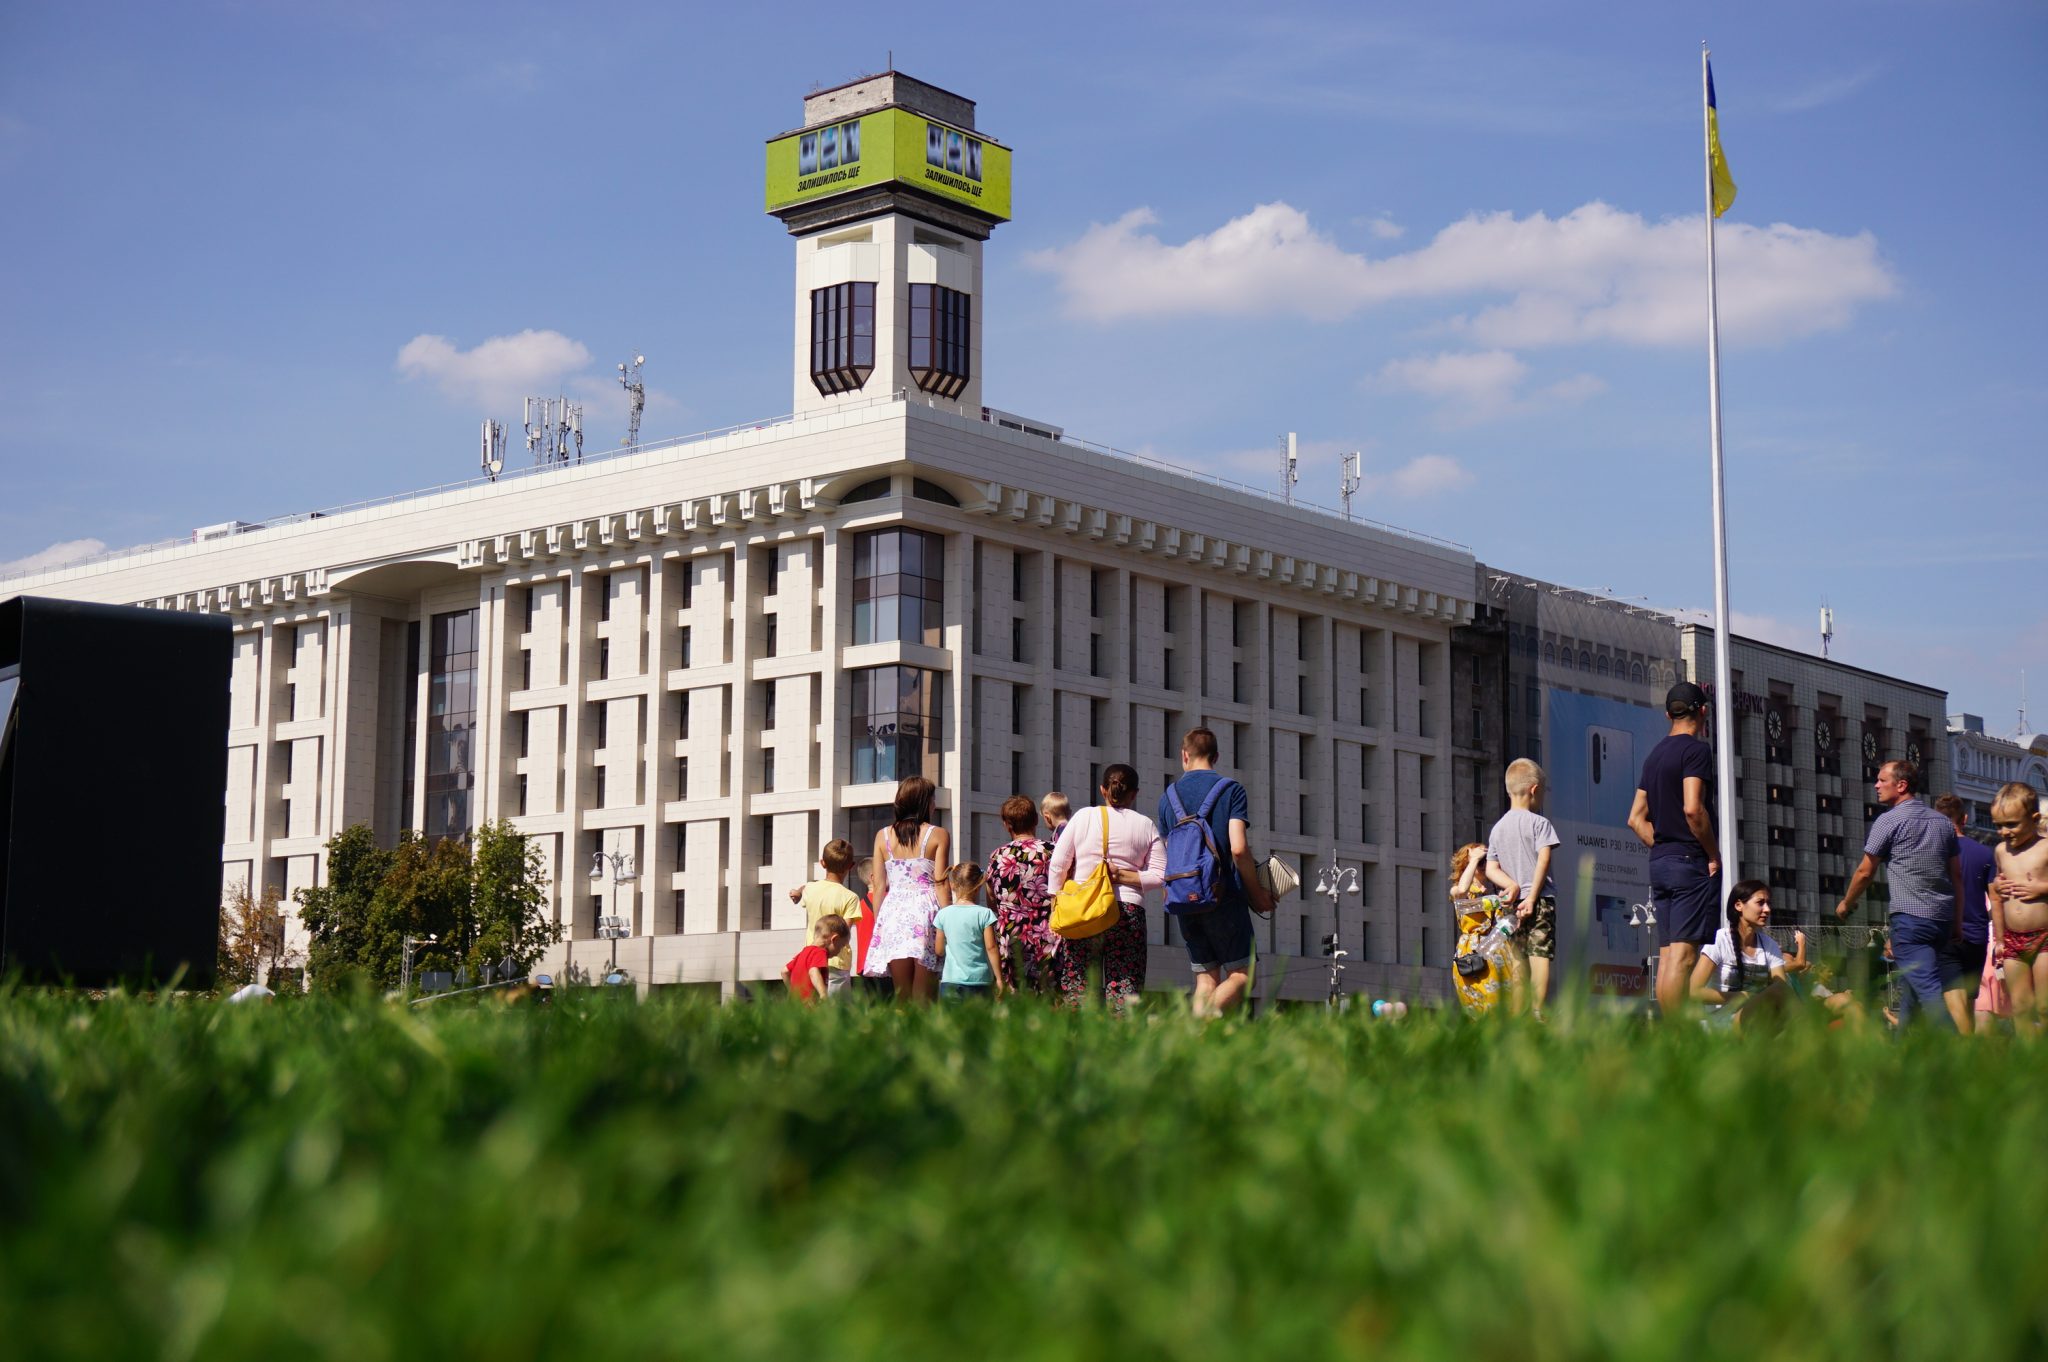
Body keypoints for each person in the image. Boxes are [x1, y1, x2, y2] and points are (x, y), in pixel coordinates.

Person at [1834, 759, 1966, 1030]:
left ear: (1901, 785)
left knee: (1928, 991)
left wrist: (1847, 903)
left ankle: (1960, 1055)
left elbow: (1864, 871)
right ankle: (1901, 1055)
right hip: (1941, 920)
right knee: (1912, 994)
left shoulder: (1889, 820)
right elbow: (1956, 876)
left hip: (1911, 920)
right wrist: (1957, 921)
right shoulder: (1942, 823)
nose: (1876, 785)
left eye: (1882, 780)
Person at [1157, 727, 1274, 1018]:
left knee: (1206, 980)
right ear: (1217, 756)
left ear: (1184, 755)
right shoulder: (1231, 790)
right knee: (1243, 975)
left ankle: (1195, 1043)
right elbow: (1238, 849)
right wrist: (1257, 895)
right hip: (1223, 896)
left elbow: (1169, 854)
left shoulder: (1167, 798)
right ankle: (1190, 1024)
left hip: (1183, 898)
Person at [1629, 682, 1723, 1017]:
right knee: (1683, 958)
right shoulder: (1696, 751)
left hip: (1661, 863)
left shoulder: (1654, 755)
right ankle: (1676, 1037)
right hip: (1689, 863)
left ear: (1669, 714)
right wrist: (1712, 853)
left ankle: (1668, 1034)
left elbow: (1635, 819)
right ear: (1703, 712)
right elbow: (1693, 808)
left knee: (1668, 956)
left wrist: (1665, 844)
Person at [1049, 763, 1164, 1013]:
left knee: (1078, 984)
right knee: (1125, 988)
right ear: (1135, 794)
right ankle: (1122, 1046)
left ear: (1103, 790)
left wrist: (1055, 902)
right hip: (1128, 912)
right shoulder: (1146, 825)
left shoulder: (1083, 817)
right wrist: (1122, 875)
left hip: (1084, 909)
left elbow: (1058, 864)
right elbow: (1160, 875)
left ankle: (1076, 1043)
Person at [860, 775, 951, 1003]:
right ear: (923, 802)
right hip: (926, 911)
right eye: (932, 800)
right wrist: (949, 918)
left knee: (901, 996)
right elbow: (940, 882)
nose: (935, 805)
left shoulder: (883, 836)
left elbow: (880, 886)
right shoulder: (937, 834)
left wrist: (881, 923)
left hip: (894, 912)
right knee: (925, 997)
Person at [1487, 759, 1560, 1015]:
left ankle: (1518, 1015)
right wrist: (1532, 896)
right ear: (1534, 789)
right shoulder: (1540, 823)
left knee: (1517, 960)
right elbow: (1544, 858)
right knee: (1539, 956)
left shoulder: (1497, 829)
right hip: (1539, 901)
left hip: (1510, 905)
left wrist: (1511, 885)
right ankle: (1538, 1011)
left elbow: (1491, 869)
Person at [1689, 880, 1795, 1029]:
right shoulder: (1720, 940)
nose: (1767, 909)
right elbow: (1694, 992)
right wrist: (1743, 996)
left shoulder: (1769, 945)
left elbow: (1783, 989)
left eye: (1768, 903)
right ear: (1739, 905)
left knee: (1836, 1001)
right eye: (1760, 903)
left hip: (1759, 1018)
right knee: (1779, 991)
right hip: (1721, 1023)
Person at [984, 795, 1058, 996]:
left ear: (1007, 825)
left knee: (1015, 995)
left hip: (1011, 932)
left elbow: (991, 897)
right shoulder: (1052, 851)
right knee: (1048, 995)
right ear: (1036, 819)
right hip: (1048, 933)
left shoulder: (998, 856)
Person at [1989, 781, 2048, 1036]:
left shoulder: (2045, 847)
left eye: (2012, 824)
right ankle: (2028, 1061)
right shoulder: (2001, 851)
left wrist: (2041, 889)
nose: (2004, 831)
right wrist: (1999, 938)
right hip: (2012, 941)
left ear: (2034, 819)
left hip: (2044, 936)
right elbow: (1997, 896)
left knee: (2045, 1006)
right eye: (1999, 826)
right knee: (2021, 1008)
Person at [1934, 793, 1996, 1029]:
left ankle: (1968, 1053)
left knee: (1954, 999)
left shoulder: (1935, 853)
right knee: (1968, 1002)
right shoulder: (1985, 853)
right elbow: (1995, 898)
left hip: (1947, 933)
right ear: (1965, 817)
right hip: (1977, 936)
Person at [1449, 842, 1524, 1017]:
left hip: (1498, 949)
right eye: (1481, 861)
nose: (1484, 865)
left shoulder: (1498, 891)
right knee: (1477, 1007)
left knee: (1504, 1006)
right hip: (1472, 954)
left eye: (1487, 860)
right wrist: (1474, 858)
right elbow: (1461, 890)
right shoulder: (1459, 890)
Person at [788, 838, 863, 997]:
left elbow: (806, 887)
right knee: (838, 1014)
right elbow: (844, 932)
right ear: (851, 866)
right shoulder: (850, 898)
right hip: (837, 962)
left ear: (822, 863)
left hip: (811, 960)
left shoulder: (810, 889)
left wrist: (798, 892)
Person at [933, 864, 1004, 1003]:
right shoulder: (985, 914)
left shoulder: (943, 915)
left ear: (952, 885)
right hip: (980, 981)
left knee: (952, 1024)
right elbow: (991, 948)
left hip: (951, 981)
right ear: (978, 887)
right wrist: (999, 978)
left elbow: (939, 950)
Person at [786, 914, 849, 1004]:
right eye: (841, 946)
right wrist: (823, 995)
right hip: (810, 1007)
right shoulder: (820, 952)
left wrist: (793, 992)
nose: (840, 950)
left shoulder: (803, 953)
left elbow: (784, 971)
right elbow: (813, 971)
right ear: (834, 939)